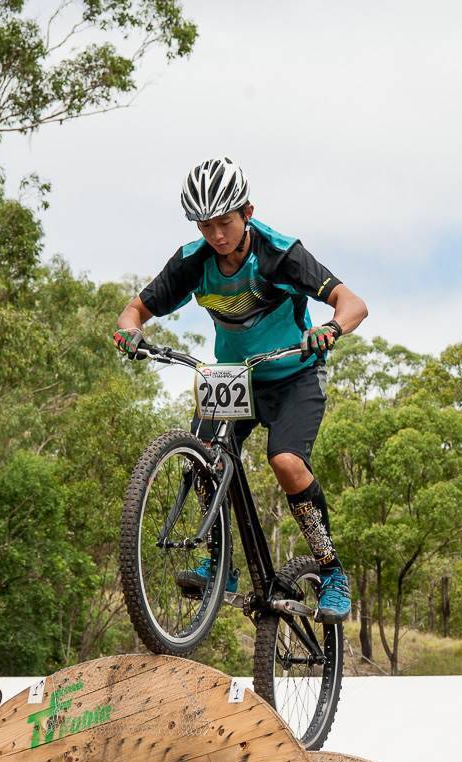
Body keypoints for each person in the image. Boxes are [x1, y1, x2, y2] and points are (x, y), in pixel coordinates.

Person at [111, 157, 368, 624]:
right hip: (233, 378)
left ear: (247, 212)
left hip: (293, 374)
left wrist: (331, 328)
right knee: (202, 455)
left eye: (224, 223)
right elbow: (134, 310)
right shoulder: (193, 261)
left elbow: (352, 304)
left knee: (286, 462)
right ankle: (221, 565)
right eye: (205, 226)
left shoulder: (280, 254)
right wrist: (129, 331)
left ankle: (332, 571)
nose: (216, 235)